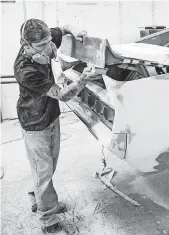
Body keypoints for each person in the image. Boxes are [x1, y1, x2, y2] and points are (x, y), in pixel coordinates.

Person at [13, 19, 99, 233]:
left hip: (50, 115)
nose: (48, 48)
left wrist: (77, 30)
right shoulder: (25, 71)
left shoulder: (44, 38)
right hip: (34, 123)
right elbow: (62, 94)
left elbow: (65, 27)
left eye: (48, 42)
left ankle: (42, 200)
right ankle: (47, 218)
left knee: (48, 166)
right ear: (26, 46)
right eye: (41, 46)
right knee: (43, 170)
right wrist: (82, 81)